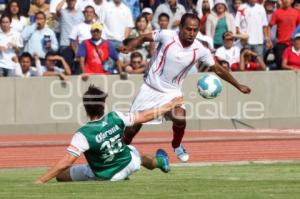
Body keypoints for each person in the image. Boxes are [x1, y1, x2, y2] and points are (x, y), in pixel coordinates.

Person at [119, 13, 251, 162]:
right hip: (150, 89)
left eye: (195, 30)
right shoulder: (167, 35)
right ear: (180, 27)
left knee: (180, 118)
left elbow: (218, 68)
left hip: (171, 92)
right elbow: (143, 37)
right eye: (188, 29)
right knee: (131, 129)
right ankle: (117, 154)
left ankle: (176, 144)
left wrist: (238, 85)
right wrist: (129, 47)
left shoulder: (200, 49)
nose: (192, 33)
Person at [34, 85, 184, 184]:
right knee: (138, 156)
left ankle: (155, 162)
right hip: (129, 164)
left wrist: (40, 180)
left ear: (86, 108)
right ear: (103, 106)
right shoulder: (116, 117)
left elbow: (67, 161)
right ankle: (160, 162)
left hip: (107, 176)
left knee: (61, 176)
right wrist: (169, 105)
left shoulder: (83, 134)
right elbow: (144, 116)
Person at [269, 0, 300, 69]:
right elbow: (269, 26)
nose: (285, 1)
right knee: (280, 64)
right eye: (284, 0)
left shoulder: (297, 13)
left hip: (293, 43)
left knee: (295, 63)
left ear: (292, 1)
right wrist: (268, 39)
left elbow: (298, 28)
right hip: (281, 43)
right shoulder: (277, 12)